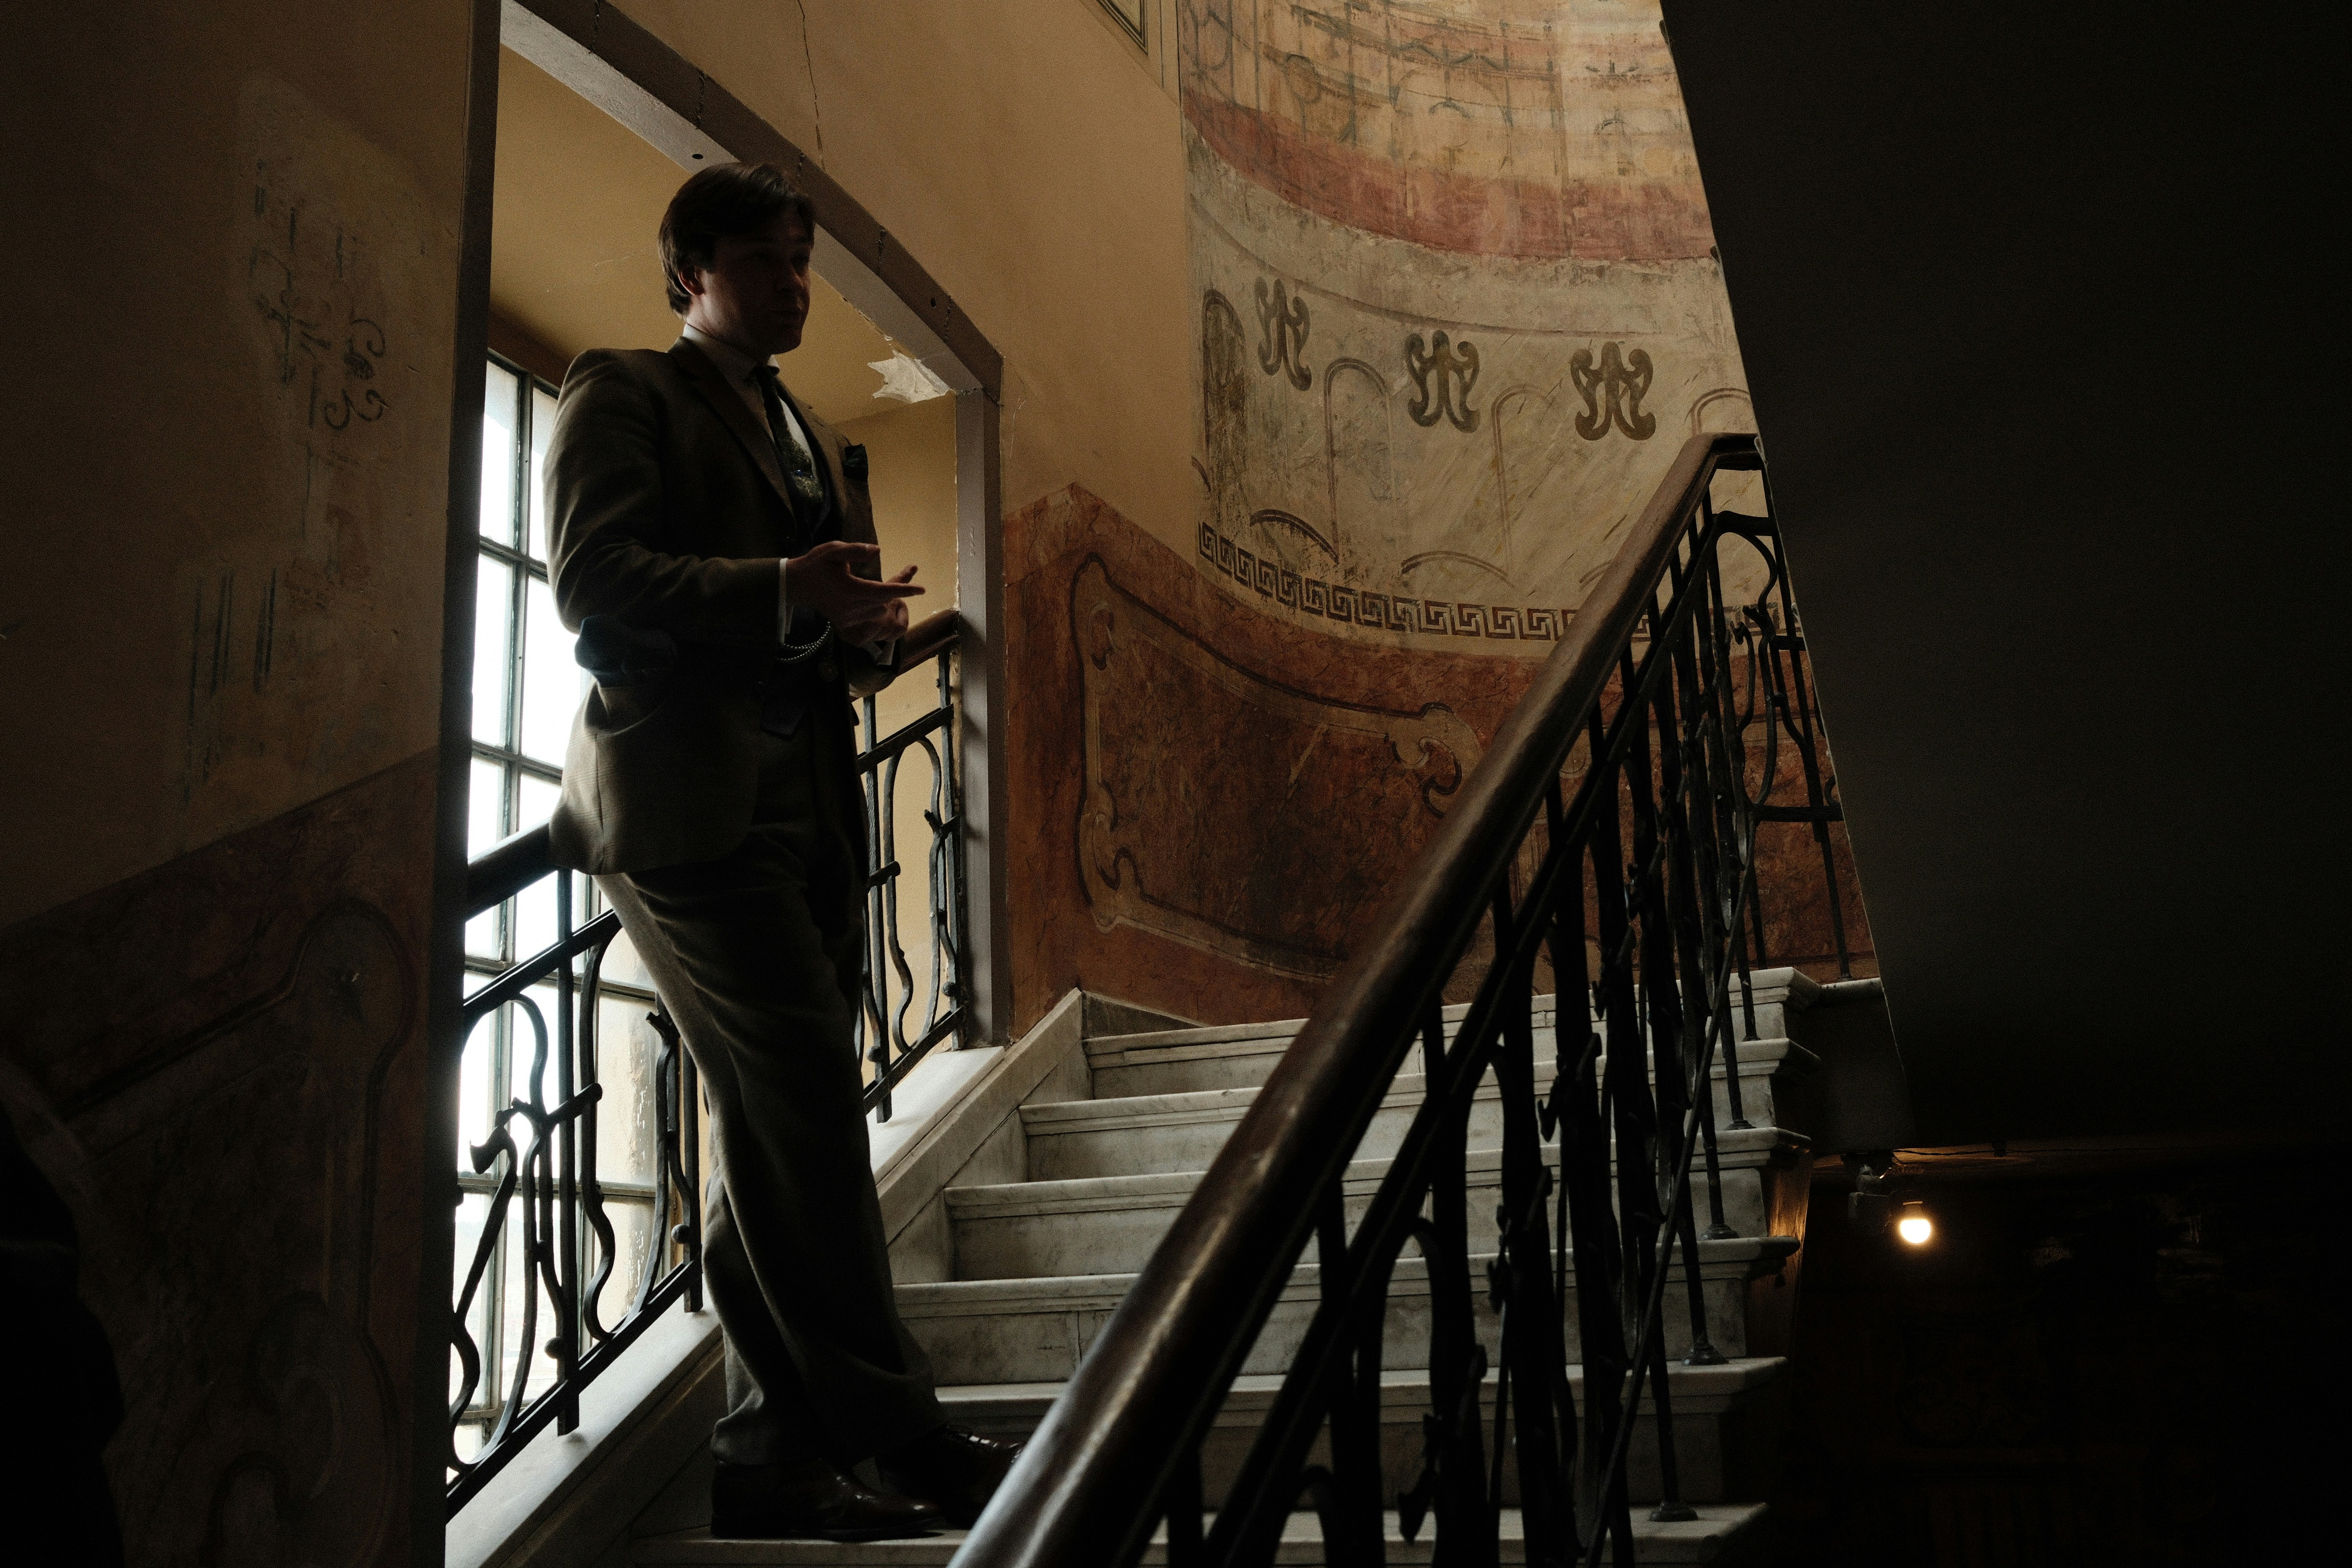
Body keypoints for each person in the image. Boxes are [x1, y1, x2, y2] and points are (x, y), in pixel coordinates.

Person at [542, 161, 1016, 1542]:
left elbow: (814, 629)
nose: (798, 288)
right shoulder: (620, 389)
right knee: (807, 1082)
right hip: (683, 808)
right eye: (766, 262)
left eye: (805, 264)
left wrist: (855, 635)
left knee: (781, 1111)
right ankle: (901, 1433)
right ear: (692, 268)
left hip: (808, 799)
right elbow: (592, 587)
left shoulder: (812, 434)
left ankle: (769, 1460)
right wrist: (781, 592)